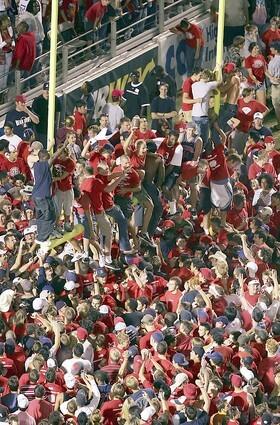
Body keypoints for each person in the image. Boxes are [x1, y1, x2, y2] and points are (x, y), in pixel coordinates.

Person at [32, 141, 68, 249]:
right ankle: (42, 239)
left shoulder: (37, 165)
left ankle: (43, 235)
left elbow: (45, 154)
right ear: (44, 158)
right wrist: (64, 146)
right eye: (48, 158)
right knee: (50, 217)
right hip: (43, 197)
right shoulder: (43, 165)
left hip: (38, 196)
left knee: (42, 217)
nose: (49, 159)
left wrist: (50, 146)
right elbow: (54, 156)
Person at [32, 83, 61, 148]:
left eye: (49, 90)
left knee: (53, 148)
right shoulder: (37, 101)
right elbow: (34, 117)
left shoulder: (56, 99)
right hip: (40, 130)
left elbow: (58, 113)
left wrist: (57, 127)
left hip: (52, 129)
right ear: (43, 90)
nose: (47, 92)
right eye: (45, 90)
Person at [267, 41, 280, 130]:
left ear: (276, 50)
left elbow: (271, 73)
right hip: (276, 85)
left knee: (277, 106)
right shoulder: (274, 60)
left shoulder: (274, 61)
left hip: (277, 86)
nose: (270, 49)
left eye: (272, 48)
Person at [0, 15, 14, 96]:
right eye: (7, 21)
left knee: (7, 71)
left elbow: (11, 39)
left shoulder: (9, 28)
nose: (9, 22)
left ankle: (4, 89)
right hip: (1, 54)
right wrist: (6, 42)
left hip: (9, 52)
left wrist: (12, 44)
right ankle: (0, 90)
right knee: (1, 72)